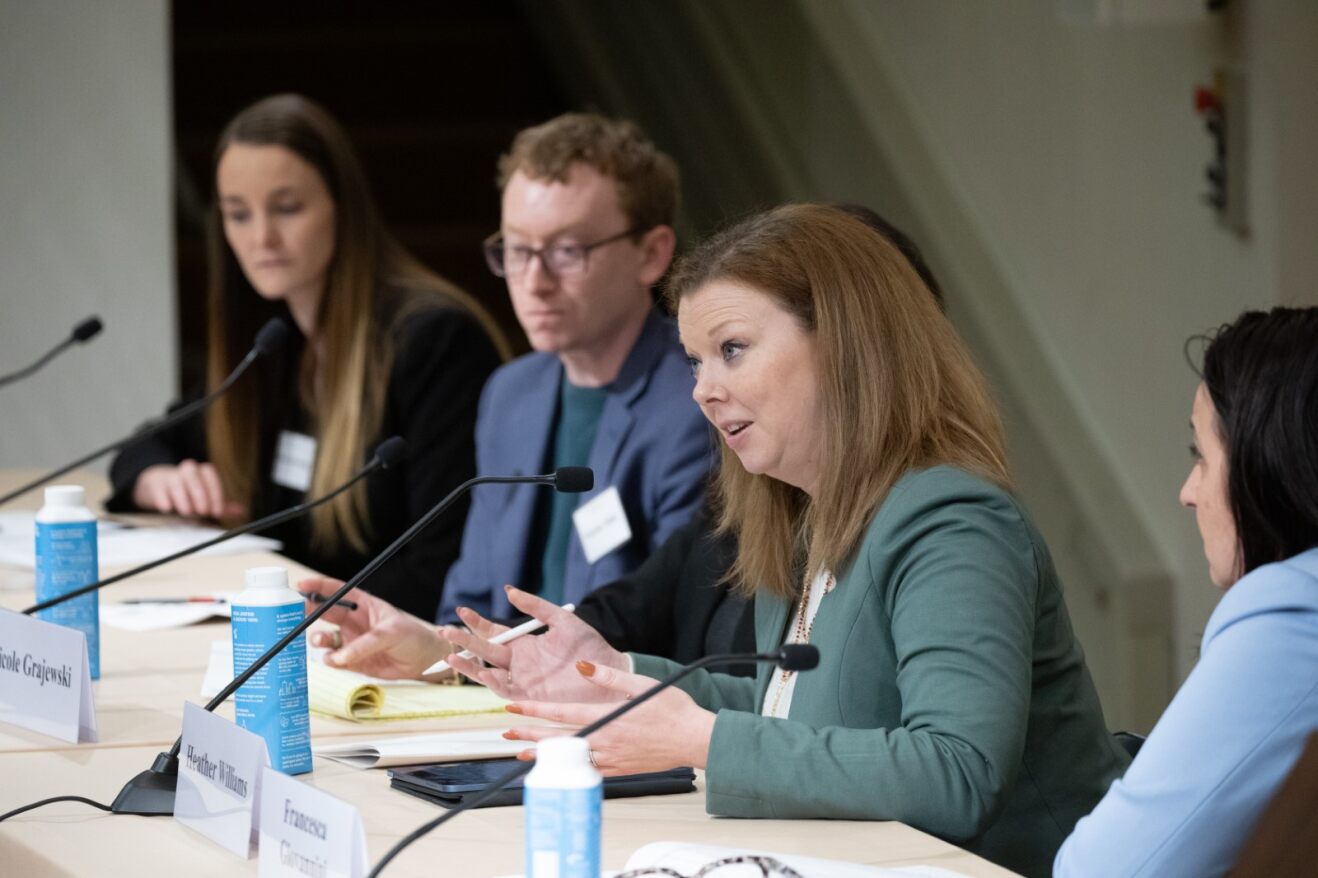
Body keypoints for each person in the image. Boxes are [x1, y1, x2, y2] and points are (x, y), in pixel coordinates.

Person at [432, 204, 1125, 877]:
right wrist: (620, 680)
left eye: (731, 350)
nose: (704, 391)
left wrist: (699, 740)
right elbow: (788, 714)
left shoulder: (954, 520)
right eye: (696, 362)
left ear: (845, 345)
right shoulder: (803, 517)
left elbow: (956, 772)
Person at [107, 94, 508, 621]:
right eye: (238, 215)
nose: (261, 238)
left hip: (384, 648)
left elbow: (443, 565)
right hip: (292, 630)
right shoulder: (274, 340)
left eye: (287, 208)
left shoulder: (434, 342)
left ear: (342, 205)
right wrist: (158, 478)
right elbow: (147, 444)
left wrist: (302, 607)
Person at [1054, 307, 1318, 877]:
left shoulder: (1291, 611)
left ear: (1266, 465)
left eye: (1201, 454)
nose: (1187, 491)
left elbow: (1102, 870)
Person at [430, 112, 711, 624]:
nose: (534, 282)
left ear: (651, 254)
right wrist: (432, 650)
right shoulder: (510, 392)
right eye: (518, 249)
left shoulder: (697, 403)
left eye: (566, 251)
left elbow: (666, 624)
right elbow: (468, 599)